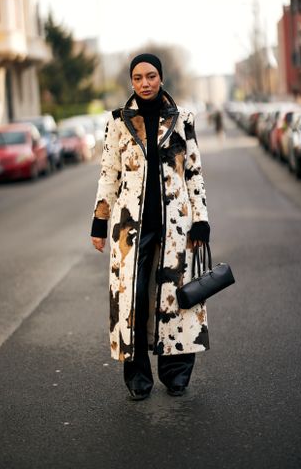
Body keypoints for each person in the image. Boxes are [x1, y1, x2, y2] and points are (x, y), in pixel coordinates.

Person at [91, 53, 210, 401]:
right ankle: (138, 375)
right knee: (134, 300)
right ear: (132, 81)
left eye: (151, 76)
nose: (145, 83)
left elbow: (194, 173)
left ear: (161, 77)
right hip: (131, 229)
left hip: (176, 225)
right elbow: (108, 175)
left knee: (175, 299)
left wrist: (200, 220)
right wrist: (99, 222)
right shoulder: (117, 122)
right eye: (138, 77)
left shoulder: (182, 119)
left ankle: (176, 373)